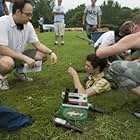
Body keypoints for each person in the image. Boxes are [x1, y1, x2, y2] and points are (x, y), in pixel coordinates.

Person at [0, 0, 57, 90]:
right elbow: (2, 49)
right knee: (7, 63)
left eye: (31, 14)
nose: (30, 18)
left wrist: (51, 52)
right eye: (28, 14)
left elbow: (37, 44)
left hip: (19, 55)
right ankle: (2, 78)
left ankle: (20, 71)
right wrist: (25, 58)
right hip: (3, 57)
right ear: (18, 12)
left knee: (43, 55)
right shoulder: (3, 22)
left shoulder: (28, 25)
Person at [96, 14, 140, 117]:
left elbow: (100, 53)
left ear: (134, 26)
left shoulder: (135, 37)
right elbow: (133, 59)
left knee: (114, 67)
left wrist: (102, 44)